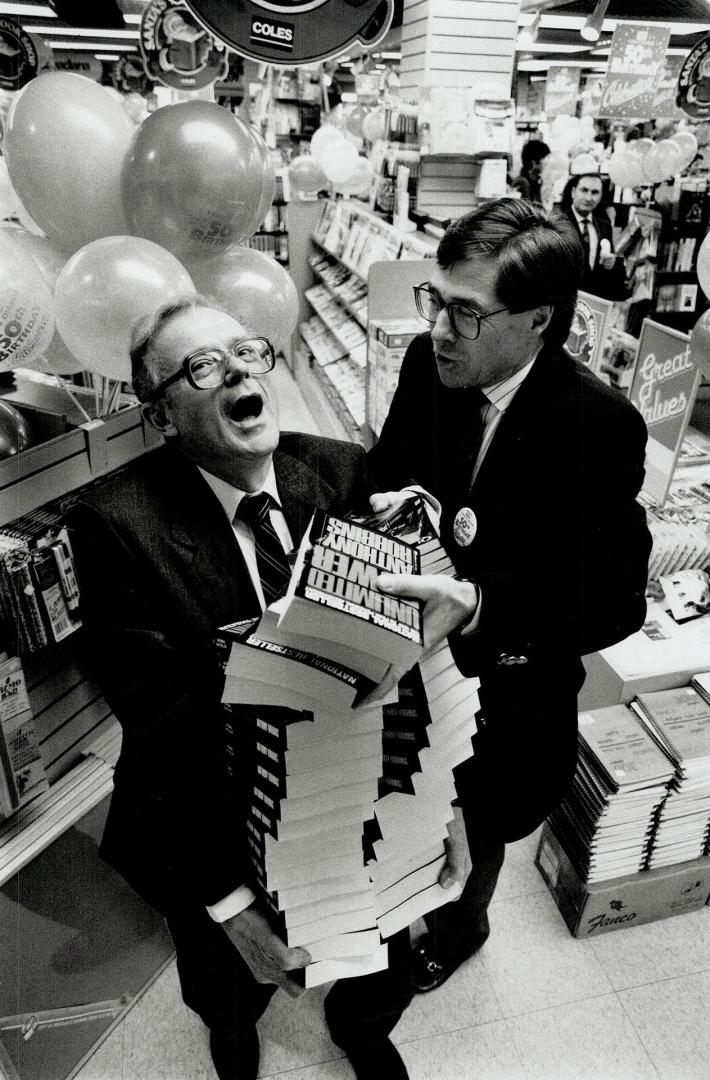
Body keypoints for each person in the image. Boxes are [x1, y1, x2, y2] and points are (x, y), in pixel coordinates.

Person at [68, 296, 413, 1080]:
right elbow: (166, 733)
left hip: (349, 801)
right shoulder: (116, 526)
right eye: (201, 367)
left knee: (369, 957)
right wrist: (227, 905)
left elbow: (396, 661)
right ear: (160, 416)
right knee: (228, 985)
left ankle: (360, 1029)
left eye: (246, 353)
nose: (236, 375)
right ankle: (232, 1036)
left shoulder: (340, 468)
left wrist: (438, 804)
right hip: (214, 825)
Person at [365, 197, 652, 993]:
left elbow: (614, 600)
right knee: (406, 804)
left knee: (481, 822)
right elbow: (391, 466)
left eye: (465, 312)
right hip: (413, 668)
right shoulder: (431, 366)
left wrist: (484, 603)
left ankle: (464, 925)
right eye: (436, 300)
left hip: (511, 696)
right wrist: (388, 506)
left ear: (537, 321)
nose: (437, 329)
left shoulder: (600, 423)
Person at [561, 171, 629, 300]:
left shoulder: (604, 226)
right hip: (565, 302)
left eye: (595, 192)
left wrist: (611, 263)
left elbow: (607, 268)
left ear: (601, 196)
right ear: (573, 192)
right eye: (584, 190)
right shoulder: (558, 223)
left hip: (593, 305)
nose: (588, 198)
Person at [511, 138, 550, 203]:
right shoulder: (523, 183)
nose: (546, 162)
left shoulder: (536, 180)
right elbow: (529, 210)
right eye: (544, 158)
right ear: (534, 162)